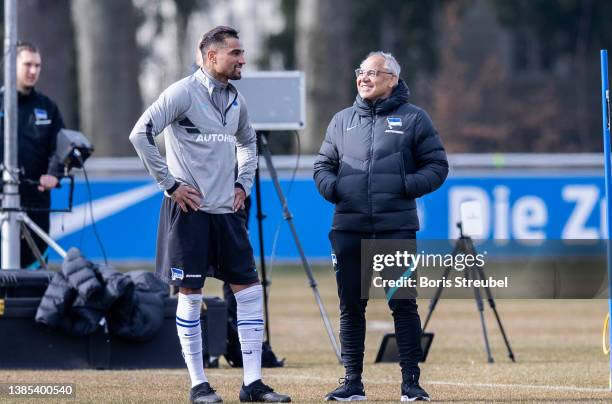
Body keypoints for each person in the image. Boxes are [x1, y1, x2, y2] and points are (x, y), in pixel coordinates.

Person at [129, 26, 291, 404]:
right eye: (235, 52)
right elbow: (141, 133)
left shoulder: (237, 100)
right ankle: (199, 385)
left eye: (242, 52)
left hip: (227, 213)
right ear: (210, 56)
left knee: (249, 292)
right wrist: (169, 184)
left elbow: (248, 143)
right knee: (190, 292)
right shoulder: (181, 92)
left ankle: (252, 384)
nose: (242, 60)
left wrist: (243, 184)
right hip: (189, 213)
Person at [314, 51, 449, 402]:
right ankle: (352, 383)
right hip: (348, 227)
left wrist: (405, 185)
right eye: (361, 71)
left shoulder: (415, 119)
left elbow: (437, 166)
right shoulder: (341, 121)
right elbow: (322, 167)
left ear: (392, 79)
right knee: (351, 306)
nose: (364, 77)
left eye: (373, 72)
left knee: (402, 305)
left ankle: (411, 385)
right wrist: (335, 188)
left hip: (395, 228)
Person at [0, 41, 65, 267]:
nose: (33, 71)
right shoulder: (2, 102)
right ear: (12, 65)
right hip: (2, 203)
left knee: (35, 275)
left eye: (37, 66)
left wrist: (54, 174)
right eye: (27, 64)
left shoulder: (48, 107)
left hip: (36, 205)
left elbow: (61, 149)